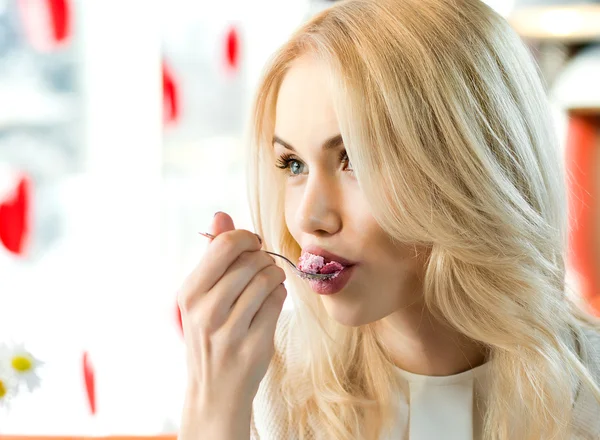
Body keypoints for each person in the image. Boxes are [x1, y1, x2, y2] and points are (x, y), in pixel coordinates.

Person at [177, 0, 600, 438]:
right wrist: (213, 412)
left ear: (472, 167)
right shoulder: (267, 389)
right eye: (293, 164)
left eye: (354, 159)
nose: (309, 218)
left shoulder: (588, 395)